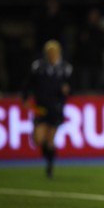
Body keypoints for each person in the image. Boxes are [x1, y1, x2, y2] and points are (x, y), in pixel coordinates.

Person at [22, 39, 72, 178]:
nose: (52, 55)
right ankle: (49, 158)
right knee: (38, 139)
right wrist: (25, 98)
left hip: (56, 108)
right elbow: (28, 84)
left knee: (50, 140)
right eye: (50, 53)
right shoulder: (38, 67)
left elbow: (72, 87)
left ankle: (49, 166)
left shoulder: (65, 69)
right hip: (40, 108)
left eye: (54, 53)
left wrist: (67, 90)